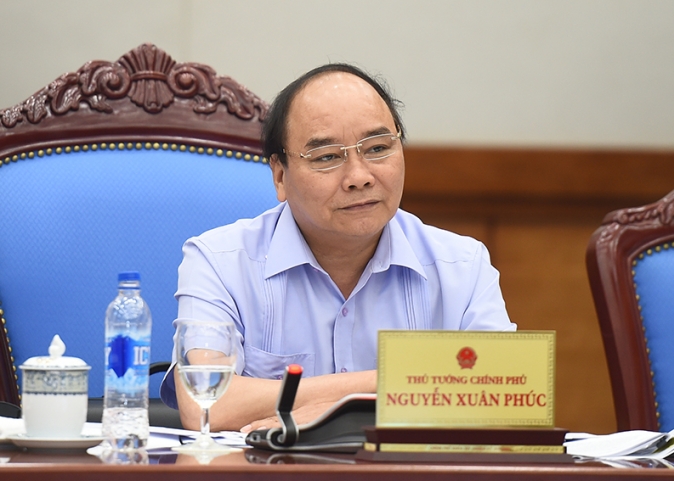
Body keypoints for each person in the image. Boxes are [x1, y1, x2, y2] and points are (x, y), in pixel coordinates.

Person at [161, 63, 516, 432]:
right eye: (327, 156)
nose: (359, 177)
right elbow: (204, 404)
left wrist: (328, 409)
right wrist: (388, 388)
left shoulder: (462, 266)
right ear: (280, 176)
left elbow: (505, 399)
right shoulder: (219, 262)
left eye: (378, 148)